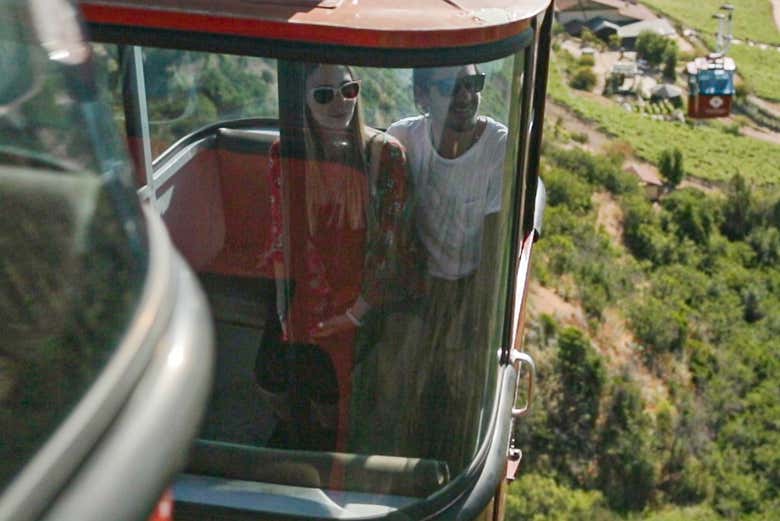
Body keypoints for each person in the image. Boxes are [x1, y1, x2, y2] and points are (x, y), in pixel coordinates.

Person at [257, 63, 413, 452]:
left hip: (359, 298)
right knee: (271, 376)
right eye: (324, 95)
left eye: (349, 90)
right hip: (306, 289)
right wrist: (287, 311)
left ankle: (325, 446)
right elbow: (284, 236)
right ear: (304, 104)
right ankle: (293, 431)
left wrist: (353, 314)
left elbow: (387, 247)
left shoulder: (384, 157)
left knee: (330, 389)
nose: (340, 103)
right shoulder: (287, 154)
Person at [384, 64, 508, 470]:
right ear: (423, 98)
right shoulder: (406, 138)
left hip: (469, 282)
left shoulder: (496, 147)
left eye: (473, 84)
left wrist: (473, 317)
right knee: (405, 384)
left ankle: (452, 468)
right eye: (450, 87)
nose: (465, 96)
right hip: (419, 281)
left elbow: (493, 246)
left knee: (459, 384)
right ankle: (401, 472)